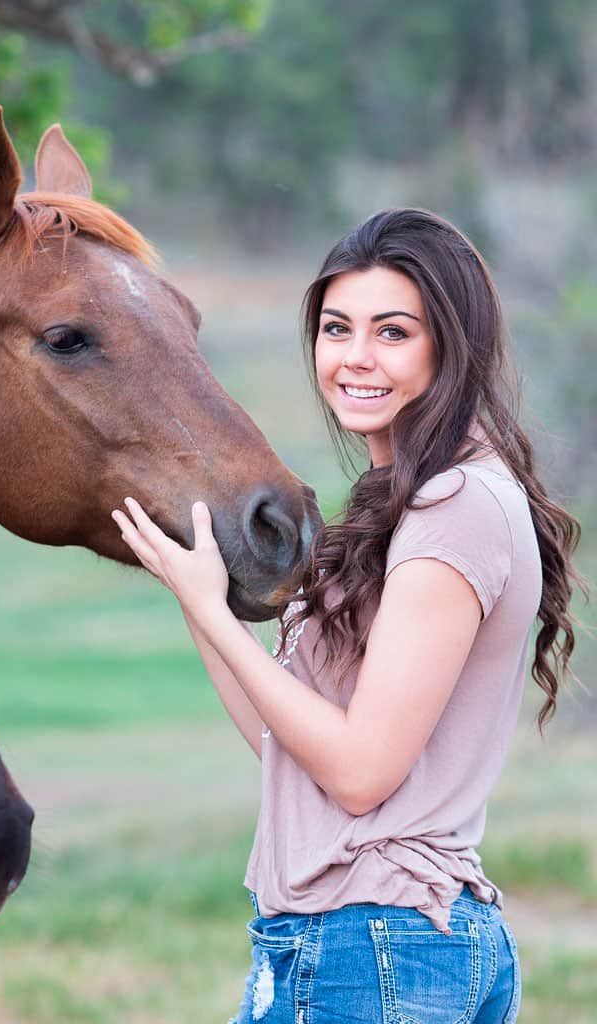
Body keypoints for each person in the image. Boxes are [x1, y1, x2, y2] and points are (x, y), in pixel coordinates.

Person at [112, 208, 582, 1023]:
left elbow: (361, 774)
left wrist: (210, 612)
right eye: (337, 329)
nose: (355, 359)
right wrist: (199, 596)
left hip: (378, 951)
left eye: (392, 332)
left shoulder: (455, 504)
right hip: (362, 948)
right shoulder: (408, 499)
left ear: (451, 346)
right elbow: (284, 745)